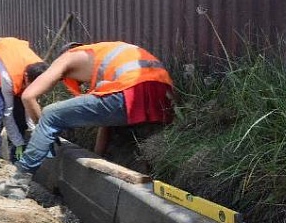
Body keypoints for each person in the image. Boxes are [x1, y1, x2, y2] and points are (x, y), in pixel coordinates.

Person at [16, 41, 174, 176]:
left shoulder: (67, 57)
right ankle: (151, 173)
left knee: (50, 114)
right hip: (163, 94)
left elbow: (28, 97)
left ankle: (19, 181)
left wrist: (43, 130)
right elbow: (105, 120)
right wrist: (97, 156)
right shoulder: (105, 58)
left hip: (129, 88)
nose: (80, 83)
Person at [0, 37, 49, 173]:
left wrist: (36, 130)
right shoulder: (9, 78)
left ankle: (16, 154)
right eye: (29, 85)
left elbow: (29, 107)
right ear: (25, 77)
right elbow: (8, 113)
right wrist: (19, 142)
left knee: (21, 106)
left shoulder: (41, 74)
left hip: (9, 57)